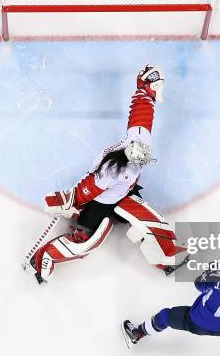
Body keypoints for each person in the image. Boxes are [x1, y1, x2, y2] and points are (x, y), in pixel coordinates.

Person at [27, 65, 185, 284]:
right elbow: (87, 189)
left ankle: (164, 257)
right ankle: (44, 257)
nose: (144, 163)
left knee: (151, 221)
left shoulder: (138, 141)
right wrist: (68, 200)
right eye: (140, 161)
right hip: (99, 205)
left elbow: (141, 112)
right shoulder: (112, 170)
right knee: (84, 243)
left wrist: (146, 88)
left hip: (123, 195)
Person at [121, 266, 220, 348]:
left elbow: (199, 285)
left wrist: (209, 272)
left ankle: (137, 334)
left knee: (165, 316)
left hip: (197, 322)